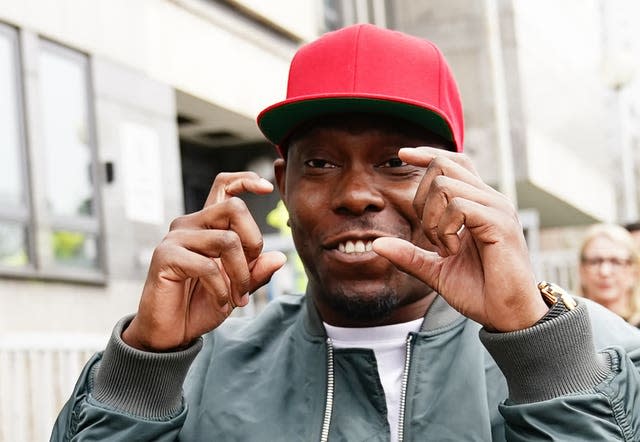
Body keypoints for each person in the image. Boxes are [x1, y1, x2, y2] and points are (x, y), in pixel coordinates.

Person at [51, 24, 640, 441]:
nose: (356, 194)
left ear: (457, 183)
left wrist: (538, 354)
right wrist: (147, 363)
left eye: (396, 162)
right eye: (322, 164)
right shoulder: (196, 371)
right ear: (282, 185)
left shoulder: (598, 354)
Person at [579, 223, 640, 327]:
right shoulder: (566, 328)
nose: (604, 272)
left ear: (633, 271)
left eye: (616, 262)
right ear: (581, 269)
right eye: (595, 261)